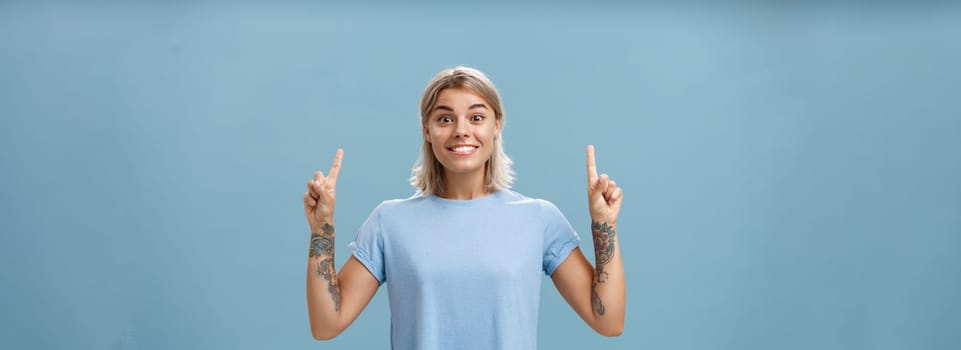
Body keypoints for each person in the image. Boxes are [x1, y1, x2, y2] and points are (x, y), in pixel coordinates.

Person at [303, 66, 625, 349]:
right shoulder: (389, 221)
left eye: (476, 117)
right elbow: (326, 325)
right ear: (427, 130)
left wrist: (604, 225)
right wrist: (322, 229)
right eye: (445, 118)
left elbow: (608, 322)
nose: (461, 130)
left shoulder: (539, 218)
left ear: (496, 125)